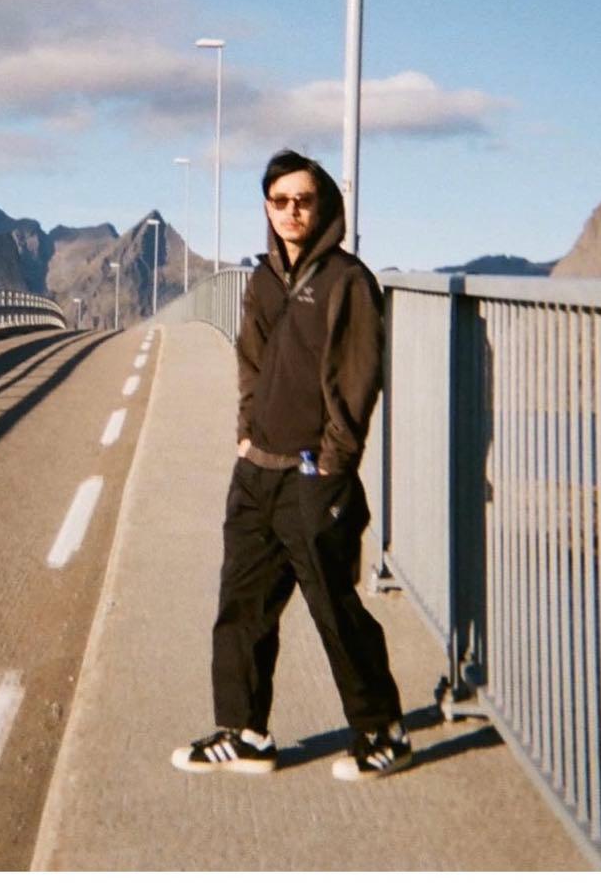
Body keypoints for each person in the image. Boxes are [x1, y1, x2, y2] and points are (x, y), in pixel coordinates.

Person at [172, 149, 411, 781]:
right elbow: (250, 364)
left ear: (323, 204)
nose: (291, 212)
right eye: (279, 201)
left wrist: (332, 466)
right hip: (257, 471)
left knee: (334, 609)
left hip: (312, 477)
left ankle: (382, 730)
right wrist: (245, 437)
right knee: (241, 606)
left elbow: (358, 380)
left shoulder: (347, 281)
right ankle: (246, 732)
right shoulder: (263, 279)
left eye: (303, 200)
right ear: (267, 207)